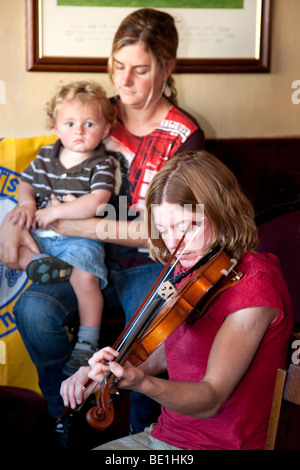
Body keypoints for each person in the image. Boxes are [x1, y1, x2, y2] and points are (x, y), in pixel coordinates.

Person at [0, 8, 204, 442]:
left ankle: (144, 434)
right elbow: (45, 178)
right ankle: (66, 420)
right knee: (33, 311)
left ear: (168, 68)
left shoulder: (184, 135)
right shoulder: (94, 114)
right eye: (117, 67)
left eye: (141, 70)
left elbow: (161, 231)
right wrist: (15, 223)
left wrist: (80, 225)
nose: (124, 82)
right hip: (77, 260)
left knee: (148, 335)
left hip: (145, 262)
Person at [61, 151, 293, 450]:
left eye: (187, 225)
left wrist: (141, 384)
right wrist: (107, 373)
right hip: (167, 434)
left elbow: (211, 398)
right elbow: (168, 350)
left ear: (222, 211)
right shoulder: (195, 266)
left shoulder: (254, 286)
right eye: (165, 228)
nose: (173, 243)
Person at [8, 80, 118, 375]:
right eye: (69, 123)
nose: (78, 131)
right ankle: (42, 264)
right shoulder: (46, 155)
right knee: (12, 249)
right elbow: (26, 184)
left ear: (105, 129)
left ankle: (87, 342)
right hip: (42, 238)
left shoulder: (102, 164)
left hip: (80, 239)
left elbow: (96, 202)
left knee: (86, 279)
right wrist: (27, 205)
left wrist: (56, 211)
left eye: (89, 123)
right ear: (56, 127)